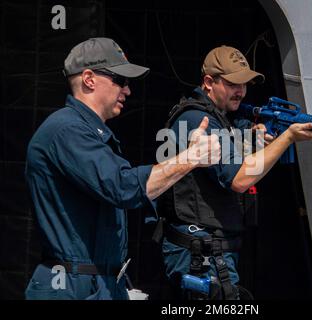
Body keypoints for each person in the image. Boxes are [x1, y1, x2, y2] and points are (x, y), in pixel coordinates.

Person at [24, 37, 221, 300]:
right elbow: (123, 187)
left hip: (94, 281)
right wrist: (191, 157)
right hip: (72, 286)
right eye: (120, 80)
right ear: (89, 79)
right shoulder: (67, 130)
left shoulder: (86, 131)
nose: (127, 90)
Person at [156, 45, 312, 300]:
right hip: (199, 255)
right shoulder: (195, 119)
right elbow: (239, 179)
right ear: (209, 82)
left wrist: (253, 140)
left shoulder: (222, 119)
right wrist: (287, 137)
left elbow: (229, 148)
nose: (241, 92)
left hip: (213, 252)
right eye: (234, 84)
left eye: (244, 85)